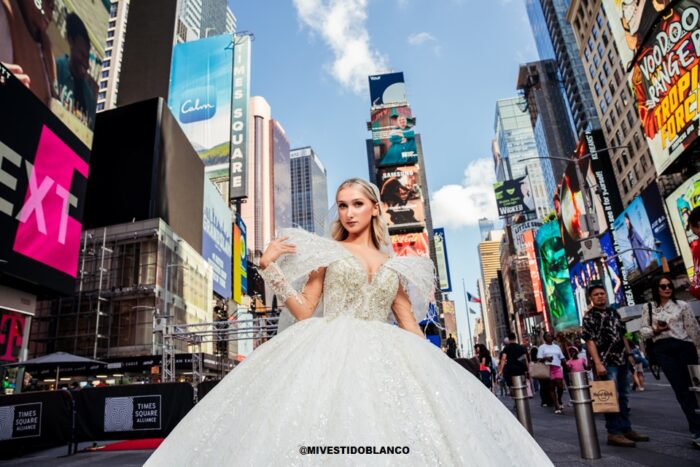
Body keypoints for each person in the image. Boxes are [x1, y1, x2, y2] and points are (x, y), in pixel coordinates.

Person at [145, 178, 553, 465]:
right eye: (343, 204)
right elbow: (305, 310)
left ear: (375, 207)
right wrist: (270, 268)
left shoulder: (397, 263)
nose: (349, 211)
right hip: (328, 350)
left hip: (390, 355)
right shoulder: (326, 251)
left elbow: (407, 319)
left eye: (357, 203)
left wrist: (440, 368)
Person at [582, 283, 649, 447]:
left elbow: (622, 335)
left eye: (602, 293)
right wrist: (597, 363)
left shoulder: (614, 312)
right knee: (611, 397)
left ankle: (626, 429)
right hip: (606, 362)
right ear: (591, 298)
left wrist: (629, 354)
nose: (600, 296)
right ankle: (613, 432)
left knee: (624, 395)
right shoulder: (589, 317)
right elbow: (590, 342)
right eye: (596, 294)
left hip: (622, 360)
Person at [640, 274, 700, 448]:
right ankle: (696, 430)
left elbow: (693, 330)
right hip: (663, 350)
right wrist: (655, 329)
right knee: (682, 391)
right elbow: (643, 331)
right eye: (663, 286)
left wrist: (697, 351)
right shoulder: (649, 308)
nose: (667, 289)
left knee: (696, 389)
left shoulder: (682, 305)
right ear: (656, 289)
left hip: (684, 347)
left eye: (669, 285)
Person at [0, 0, 56, 104]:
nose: (50, 12)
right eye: (47, 2)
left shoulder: (46, 47)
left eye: (52, 6)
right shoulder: (4, 12)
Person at [55, 12, 97, 127]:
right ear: (71, 41)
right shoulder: (56, 69)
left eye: (87, 58)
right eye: (82, 55)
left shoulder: (89, 97)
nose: (86, 64)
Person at [537, 333, 566, 415]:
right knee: (551, 387)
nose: (550, 337)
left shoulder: (556, 347)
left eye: (550, 336)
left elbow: (562, 357)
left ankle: (559, 399)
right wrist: (545, 358)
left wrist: (565, 363)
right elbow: (538, 360)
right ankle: (556, 405)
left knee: (560, 385)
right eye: (548, 336)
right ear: (544, 338)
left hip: (557, 367)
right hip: (548, 368)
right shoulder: (542, 347)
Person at [688, 207, 700, 300]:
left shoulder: (697, 249)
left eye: (690, 226)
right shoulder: (696, 247)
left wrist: (693, 288)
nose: (691, 230)